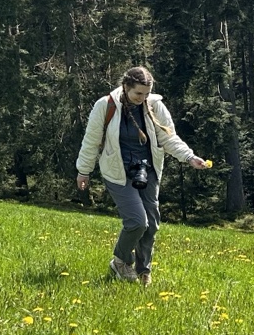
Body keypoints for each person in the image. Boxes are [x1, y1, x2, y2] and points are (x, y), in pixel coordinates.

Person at [76, 66, 209, 286]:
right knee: (138, 222)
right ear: (125, 86)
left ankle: (143, 270)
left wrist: (189, 157)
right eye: (138, 93)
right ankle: (120, 262)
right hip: (117, 172)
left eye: (146, 93)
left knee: (152, 224)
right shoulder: (106, 106)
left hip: (148, 171)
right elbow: (91, 141)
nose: (142, 98)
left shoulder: (155, 105)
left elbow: (169, 138)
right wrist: (84, 171)